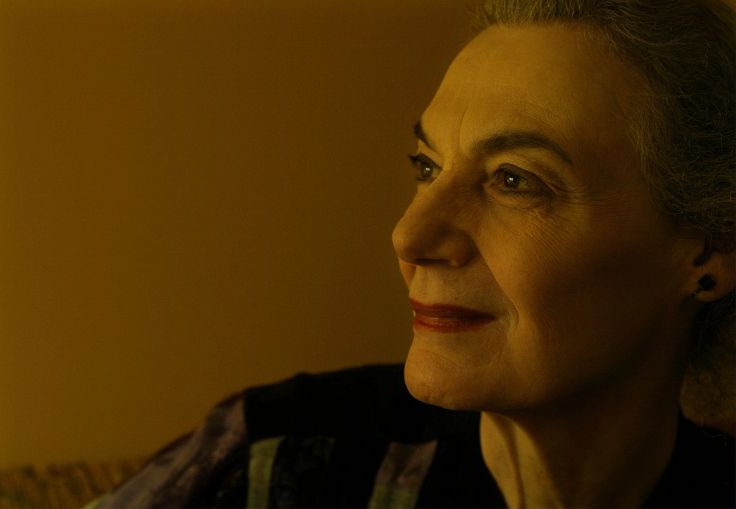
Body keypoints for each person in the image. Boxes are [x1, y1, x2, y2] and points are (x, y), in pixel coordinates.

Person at [90, 1, 735, 507]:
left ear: (707, 254)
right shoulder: (274, 461)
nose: (410, 236)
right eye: (427, 167)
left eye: (514, 180)